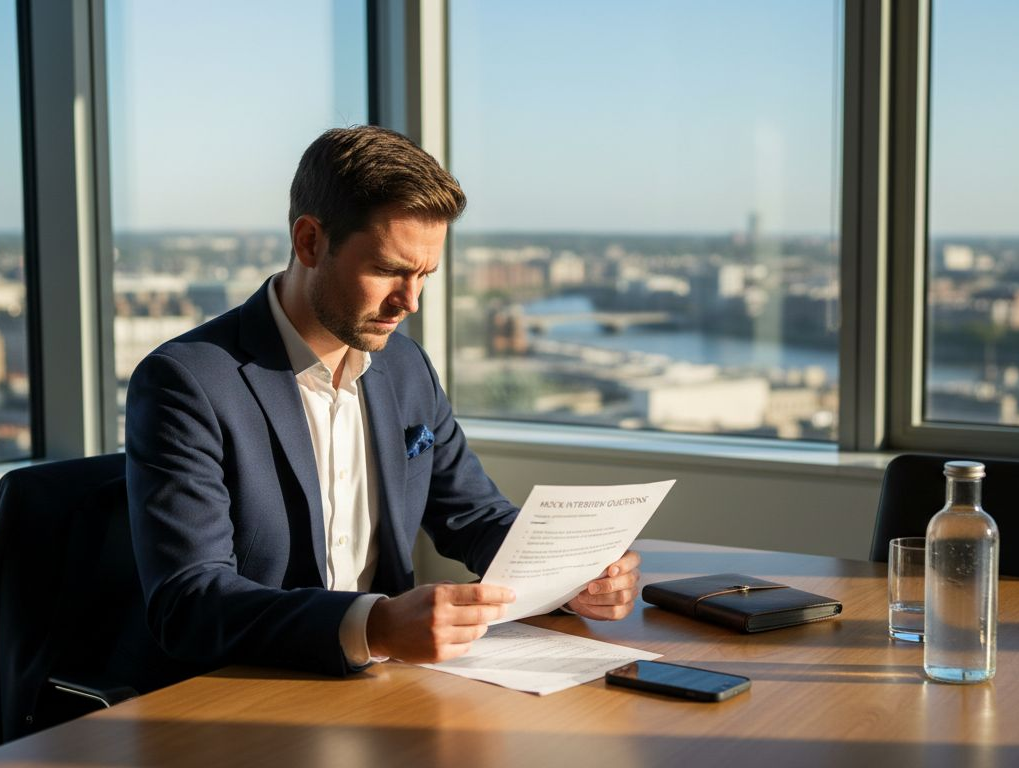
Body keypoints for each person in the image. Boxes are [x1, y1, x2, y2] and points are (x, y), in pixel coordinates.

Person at [125, 125, 641, 678]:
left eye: (424, 275)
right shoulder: (187, 382)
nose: (410, 302)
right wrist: (372, 625)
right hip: (249, 692)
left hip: (390, 685)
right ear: (310, 242)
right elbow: (190, 602)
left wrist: (573, 576)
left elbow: (472, 514)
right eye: (389, 270)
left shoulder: (404, 367)